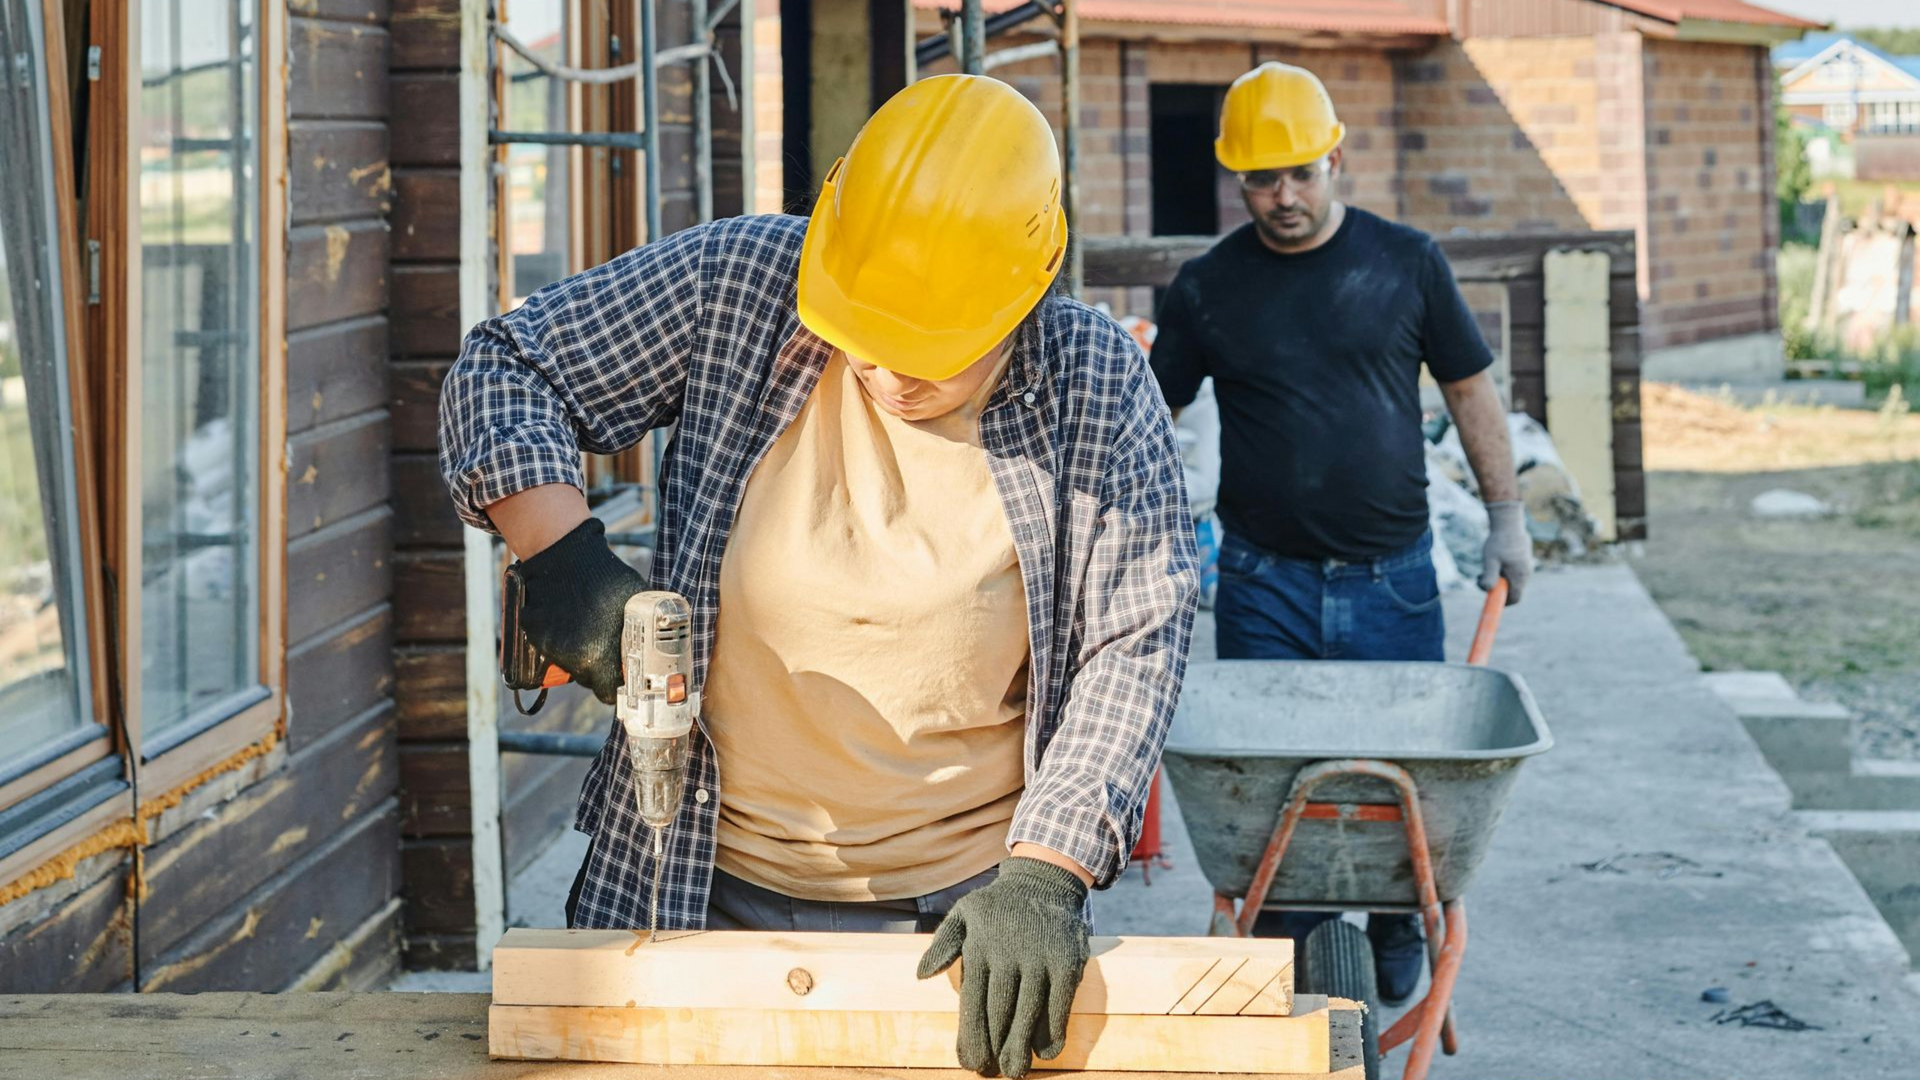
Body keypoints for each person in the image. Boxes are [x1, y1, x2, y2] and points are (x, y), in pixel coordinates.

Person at [439, 74, 1197, 1079]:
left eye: (929, 350)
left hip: (961, 915)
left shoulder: (1092, 377)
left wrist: (1046, 874)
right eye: (865, 337)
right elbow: (506, 367)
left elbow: (1134, 639)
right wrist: (561, 552)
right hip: (684, 873)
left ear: (1027, 288)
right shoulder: (741, 284)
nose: (887, 373)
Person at [1147, 61, 1531, 1006]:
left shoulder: (1405, 263)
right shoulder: (1207, 289)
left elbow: (1469, 387)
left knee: (1402, 785)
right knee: (1275, 796)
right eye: (1261, 180)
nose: (1283, 198)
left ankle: (1398, 918)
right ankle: (1304, 963)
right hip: (1261, 582)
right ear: (1237, 180)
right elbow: (1152, 415)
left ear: (1335, 157)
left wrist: (1508, 513)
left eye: (1300, 175)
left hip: (1390, 580)